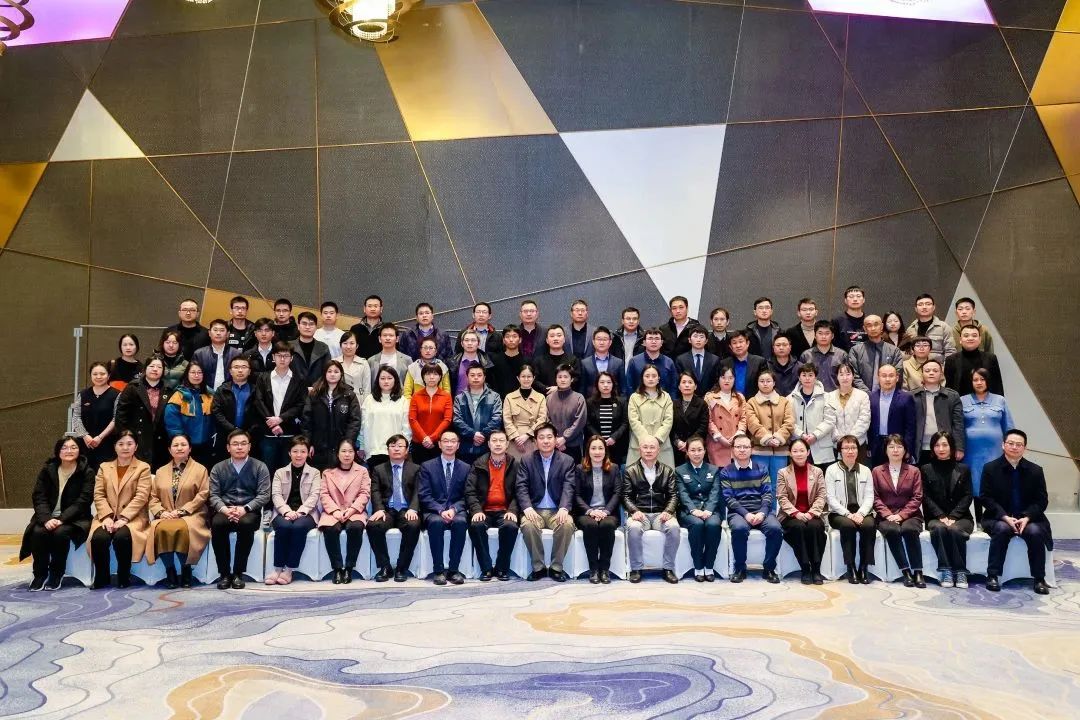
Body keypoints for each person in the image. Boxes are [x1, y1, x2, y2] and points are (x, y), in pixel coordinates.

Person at [979, 429, 1052, 594]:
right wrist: (1004, 516)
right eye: (1010, 443)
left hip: (1028, 518)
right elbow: (985, 497)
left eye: (1019, 444)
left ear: (1025, 448)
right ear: (1003, 445)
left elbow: (1042, 500)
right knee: (1001, 529)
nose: (1014, 447)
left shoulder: (1036, 470)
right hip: (999, 517)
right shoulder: (990, 468)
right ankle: (993, 575)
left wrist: (1027, 517)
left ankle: (1039, 578)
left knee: (1035, 531)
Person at [21, 436, 95, 591]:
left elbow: (84, 501)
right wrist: (46, 519)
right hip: (47, 517)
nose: (69, 451)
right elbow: (39, 496)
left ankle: (56, 573)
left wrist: (62, 519)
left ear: (79, 450)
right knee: (37, 532)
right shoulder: (48, 469)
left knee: (60, 533)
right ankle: (40, 574)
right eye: (64, 447)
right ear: (58, 451)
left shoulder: (86, 471)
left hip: (75, 519)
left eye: (73, 447)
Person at [144, 434, 210, 590]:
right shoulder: (160, 471)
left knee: (182, 528)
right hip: (166, 514)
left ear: (190, 448)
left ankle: (186, 569)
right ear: (169, 450)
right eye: (175, 445)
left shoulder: (200, 469)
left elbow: (203, 494)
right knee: (160, 529)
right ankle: (170, 571)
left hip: (192, 514)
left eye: (183, 444)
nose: (179, 448)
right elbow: (152, 497)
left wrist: (182, 511)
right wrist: (161, 512)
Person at [88, 430, 152, 589]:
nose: (125, 447)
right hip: (107, 516)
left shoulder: (143, 468)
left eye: (129, 444)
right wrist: (106, 517)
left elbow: (141, 497)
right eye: (121, 444)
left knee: (122, 536)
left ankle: (124, 575)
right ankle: (102, 576)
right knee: (99, 538)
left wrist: (124, 518)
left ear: (136, 447)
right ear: (115, 447)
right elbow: (98, 494)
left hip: (133, 517)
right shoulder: (104, 467)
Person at [208, 430, 271, 590]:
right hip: (225, 510)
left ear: (249, 446)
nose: (239, 447)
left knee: (246, 524)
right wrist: (225, 510)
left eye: (243, 443)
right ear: (228, 448)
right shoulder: (218, 468)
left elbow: (264, 495)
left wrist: (245, 509)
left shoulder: (260, 467)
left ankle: (238, 573)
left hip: (249, 511)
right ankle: (224, 574)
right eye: (235, 444)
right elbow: (213, 495)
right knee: (217, 524)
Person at [515, 424, 576, 581]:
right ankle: (538, 567)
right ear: (535, 441)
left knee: (567, 524)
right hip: (535, 510)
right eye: (541, 438)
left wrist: (564, 508)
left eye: (549, 437)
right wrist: (527, 507)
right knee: (528, 525)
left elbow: (569, 487)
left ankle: (556, 567)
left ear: (555, 439)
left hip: (557, 510)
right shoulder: (527, 460)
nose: (546, 441)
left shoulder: (567, 460)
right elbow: (521, 486)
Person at [721, 434, 783, 583]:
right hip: (738, 512)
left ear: (752, 449)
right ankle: (740, 568)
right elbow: (729, 499)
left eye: (746, 447)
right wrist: (746, 514)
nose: (742, 450)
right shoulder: (725, 471)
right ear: (732, 450)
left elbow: (768, 494)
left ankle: (769, 569)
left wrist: (762, 512)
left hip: (761, 510)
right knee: (739, 529)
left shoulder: (761, 468)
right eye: (738, 447)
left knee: (775, 528)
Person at [623, 435, 680, 584]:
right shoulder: (630, 471)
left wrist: (668, 511)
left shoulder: (667, 471)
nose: (648, 450)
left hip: (661, 514)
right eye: (645, 447)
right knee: (634, 528)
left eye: (652, 447)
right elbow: (626, 496)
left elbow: (674, 495)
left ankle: (668, 569)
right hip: (640, 514)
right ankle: (636, 569)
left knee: (674, 527)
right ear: (639, 449)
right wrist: (634, 511)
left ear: (658, 450)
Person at [265, 435, 321, 586]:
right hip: (283, 512)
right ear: (289, 453)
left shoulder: (315, 473)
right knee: (283, 527)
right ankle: (277, 569)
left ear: (308, 453)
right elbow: (276, 495)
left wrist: (300, 512)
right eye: (295, 451)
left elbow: (314, 496)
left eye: (303, 451)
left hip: (307, 513)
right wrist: (287, 512)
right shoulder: (280, 472)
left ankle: (289, 570)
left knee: (298, 527)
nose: (299, 455)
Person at [920, 431, 973, 589]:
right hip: (936, 517)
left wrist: (953, 516)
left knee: (955, 529)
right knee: (940, 528)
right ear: (932, 448)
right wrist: (941, 515)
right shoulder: (926, 469)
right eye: (937, 445)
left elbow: (967, 495)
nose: (941, 449)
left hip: (962, 517)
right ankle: (946, 570)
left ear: (951, 447)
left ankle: (960, 571)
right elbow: (925, 497)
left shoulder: (963, 469)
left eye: (945, 445)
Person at [465, 430, 520, 581]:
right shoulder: (478, 464)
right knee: (476, 526)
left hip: (505, 510)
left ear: (507, 444)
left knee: (510, 526)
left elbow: (520, 491)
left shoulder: (515, 465)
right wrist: (476, 510)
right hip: (484, 510)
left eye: (501, 441)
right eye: (494, 441)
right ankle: (486, 568)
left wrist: (512, 510)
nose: (498, 444)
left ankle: (502, 568)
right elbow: (470, 491)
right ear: (488, 444)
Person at [872, 434, 926, 588]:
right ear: (886, 450)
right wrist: (888, 514)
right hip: (886, 516)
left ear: (905, 450)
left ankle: (918, 571)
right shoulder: (877, 471)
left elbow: (917, 497)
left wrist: (902, 515)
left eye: (899, 446)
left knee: (909, 530)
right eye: (891, 447)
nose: (895, 450)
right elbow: (875, 497)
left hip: (911, 515)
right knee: (892, 530)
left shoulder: (914, 471)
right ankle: (906, 571)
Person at [367, 434, 422, 582]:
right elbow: (375, 491)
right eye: (392, 446)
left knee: (413, 525)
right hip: (387, 510)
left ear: (406, 450)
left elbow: (418, 491)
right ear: (387, 450)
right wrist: (379, 509)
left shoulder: (416, 469)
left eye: (400, 446)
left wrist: (413, 508)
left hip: (406, 510)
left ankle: (401, 567)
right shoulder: (378, 469)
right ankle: (385, 567)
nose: (396, 449)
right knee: (373, 525)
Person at [418, 430, 470, 585]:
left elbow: (467, 495)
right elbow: (424, 494)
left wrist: (454, 509)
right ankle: (438, 571)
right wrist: (440, 510)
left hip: (456, 510)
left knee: (460, 522)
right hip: (434, 511)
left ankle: (453, 570)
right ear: (439, 444)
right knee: (436, 522)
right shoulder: (427, 466)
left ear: (458, 445)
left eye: (453, 441)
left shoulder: (466, 467)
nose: (449, 444)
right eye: (445, 441)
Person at [962, 367, 1015, 515]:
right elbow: (958, 426)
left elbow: (1009, 427)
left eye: (982, 379)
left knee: (996, 481)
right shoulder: (963, 400)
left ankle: (997, 516)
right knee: (975, 482)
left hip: (995, 451)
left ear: (988, 381)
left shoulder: (1000, 400)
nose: (979, 382)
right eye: (975, 380)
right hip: (971, 452)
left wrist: (1010, 446)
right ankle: (978, 518)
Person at [318, 439, 370, 584]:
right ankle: (337, 568)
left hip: (355, 511)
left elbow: (364, 493)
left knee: (355, 527)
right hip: (332, 512)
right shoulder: (327, 472)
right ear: (338, 453)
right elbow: (324, 494)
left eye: (350, 451)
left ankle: (349, 568)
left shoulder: (362, 471)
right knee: (330, 529)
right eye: (344, 451)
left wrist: (352, 510)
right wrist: (335, 511)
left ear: (355, 453)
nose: (347, 455)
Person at [825, 435, 876, 583]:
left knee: (869, 526)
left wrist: (861, 513)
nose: (850, 451)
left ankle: (864, 567)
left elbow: (869, 496)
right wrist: (848, 514)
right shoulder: (831, 470)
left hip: (862, 512)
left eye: (853, 447)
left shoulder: (866, 470)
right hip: (839, 513)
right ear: (840, 451)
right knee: (848, 526)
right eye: (846, 448)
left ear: (858, 450)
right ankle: (850, 566)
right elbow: (830, 498)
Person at [252, 342, 308, 475]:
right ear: (273, 357)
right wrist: (273, 424)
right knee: (267, 471)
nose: (282, 359)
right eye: (279, 355)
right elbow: (259, 401)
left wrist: (281, 419)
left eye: (286, 356)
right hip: (268, 433)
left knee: (287, 472)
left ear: (291, 358)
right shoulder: (263, 377)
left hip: (289, 433)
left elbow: (301, 404)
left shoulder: (299, 379)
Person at [777, 439, 827, 584]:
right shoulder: (783, 473)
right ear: (790, 453)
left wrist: (811, 513)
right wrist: (796, 513)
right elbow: (782, 497)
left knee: (815, 527)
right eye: (795, 451)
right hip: (790, 516)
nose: (799, 454)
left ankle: (816, 569)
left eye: (802, 450)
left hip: (812, 514)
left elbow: (822, 495)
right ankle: (805, 568)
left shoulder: (817, 471)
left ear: (808, 452)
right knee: (798, 527)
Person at [574, 435, 621, 584]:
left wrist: (605, 511)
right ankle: (594, 569)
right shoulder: (580, 469)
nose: (597, 452)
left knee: (607, 525)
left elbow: (617, 493)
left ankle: (604, 569)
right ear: (588, 450)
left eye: (600, 448)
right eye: (593, 448)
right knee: (591, 525)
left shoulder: (614, 468)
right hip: (586, 513)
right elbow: (576, 495)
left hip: (608, 512)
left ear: (605, 450)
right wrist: (590, 511)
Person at [676, 436, 722, 582]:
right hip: (688, 511)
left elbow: (715, 492)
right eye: (693, 450)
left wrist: (708, 510)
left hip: (710, 510)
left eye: (699, 450)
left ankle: (709, 566)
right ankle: (698, 566)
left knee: (713, 525)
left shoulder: (713, 469)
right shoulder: (679, 470)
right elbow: (682, 494)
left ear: (705, 451)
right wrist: (693, 510)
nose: (696, 453)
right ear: (687, 452)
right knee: (697, 524)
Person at [743, 370, 795, 493]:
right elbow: (752, 423)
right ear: (757, 383)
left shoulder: (784, 401)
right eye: (762, 381)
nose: (765, 384)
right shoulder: (751, 402)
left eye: (768, 381)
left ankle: (776, 506)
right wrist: (766, 438)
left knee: (779, 485)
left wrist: (778, 438)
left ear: (774, 383)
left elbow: (789, 422)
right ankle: (762, 506)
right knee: (760, 484)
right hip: (759, 450)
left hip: (780, 450)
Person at [304, 361, 362, 469]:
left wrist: (347, 444)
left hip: (341, 447)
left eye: (336, 371)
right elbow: (306, 420)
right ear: (324, 373)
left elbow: (355, 421)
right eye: (329, 371)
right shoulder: (314, 394)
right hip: (318, 447)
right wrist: (308, 443)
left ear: (341, 374)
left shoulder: (349, 395)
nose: (332, 374)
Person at [115, 355, 169, 470]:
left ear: (163, 371)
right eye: (152, 366)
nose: (155, 369)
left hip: (159, 440)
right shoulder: (133, 387)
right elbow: (121, 414)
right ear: (145, 368)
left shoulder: (168, 390)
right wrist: (126, 436)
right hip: (137, 438)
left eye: (159, 367)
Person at [912, 359, 965, 465]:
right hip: (919, 448)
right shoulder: (912, 396)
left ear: (941, 374)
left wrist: (959, 447)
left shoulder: (952, 396)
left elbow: (958, 424)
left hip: (944, 448)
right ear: (922, 374)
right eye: (927, 371)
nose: (931, 373)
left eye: (935, 371)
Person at [164, 362, 215, 468]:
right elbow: (172, 423)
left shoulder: (210, 395)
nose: (196, 375)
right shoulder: (179, 395)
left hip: (206, 446)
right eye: (193, 372)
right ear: (187, 374)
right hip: (185, 447)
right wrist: (181, 443)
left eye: (199, 372)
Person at [359, 366, 411, 469]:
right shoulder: (369, 400)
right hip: (373, 450)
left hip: (395, 450)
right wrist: (362, 446)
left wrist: (404, 447)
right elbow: (363, 426)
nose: (386, 381)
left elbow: (407, 429)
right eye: (382, 378)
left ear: (395, 380)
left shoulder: (403, 401)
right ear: (377, 380)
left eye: (389, 378)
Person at [210, 356, 258, 463]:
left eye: (244, 367)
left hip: (250, 436)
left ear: (249, 371)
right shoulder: (222, 390)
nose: (240, 370)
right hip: (226, 436)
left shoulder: (256, 390)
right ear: (230, 371)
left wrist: (248, 431)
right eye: (236, 367)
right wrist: (232, 429)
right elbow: (216, 412)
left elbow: (260, 413)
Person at [453, 364, 504, 464]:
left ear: (484, 377)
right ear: (467, 377)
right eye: (472, 375)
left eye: (479, 375)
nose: (476, 378)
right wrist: (473, 434)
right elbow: (457, 420)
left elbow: (497, 419)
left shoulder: (494, 397)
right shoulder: (459, 398)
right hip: (465, 446)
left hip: (487, 447)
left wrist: (482, 434)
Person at [73, 362, 119, 469]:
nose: (98, 377)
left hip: (107, 443)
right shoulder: (83, 394)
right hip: (85, 443)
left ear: (108, 375)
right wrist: (85, 435)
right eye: (95, 374)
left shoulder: (116, 394)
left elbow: (116, 418)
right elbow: (76, 417)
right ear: (91, 376)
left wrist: (100, 437)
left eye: (102, 374)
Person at [789, 363, 835, 470]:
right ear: (799, 378)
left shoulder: (826, 397)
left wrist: (815, 435)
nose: (807, 378)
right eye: (804, 375)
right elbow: (789, 422)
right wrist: (801, 434)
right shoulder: (790, 398)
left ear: (815, 377)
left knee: (821, 478)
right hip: (799, 445)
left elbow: (830, 420)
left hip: (822, 446)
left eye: (810, 375)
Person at [627, 365, 675, 467]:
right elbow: (633, 420)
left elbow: (668, 420)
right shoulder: (634, 397)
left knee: (664, 475)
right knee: (637, 475)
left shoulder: (666, 397)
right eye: (647, 376)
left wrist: (656, 440)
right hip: (639, 444)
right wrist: (646, 440)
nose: (650, 379)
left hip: (662, 445)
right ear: (642, 378)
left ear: (658, 378)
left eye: (654, 376)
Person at [868, 364, 916, 467]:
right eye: (884, 376)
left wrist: (907, 448)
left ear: (897, 378)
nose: (887, 379)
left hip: (897, 446)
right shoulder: (871, 397)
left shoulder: (906, 398)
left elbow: (910, 427)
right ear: (878, 378)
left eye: (891, 375)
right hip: (877, 446)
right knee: (878, 474)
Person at [408, 363, 453, 465]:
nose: (431, 377)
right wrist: (424, 438)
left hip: (438, 443)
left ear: (440, 377)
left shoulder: (446, 396)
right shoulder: (416, 396)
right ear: (423, 377)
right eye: (428, 374)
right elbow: (412, 419)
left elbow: (447, 419)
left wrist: (432, 438)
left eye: (435, 374)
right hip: (419, 442)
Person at [502, 363, 547, 460]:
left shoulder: (540, 397)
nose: (526, 379)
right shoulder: (509, 397)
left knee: (533, 466)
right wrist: (516, 438)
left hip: (533, 438)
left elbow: (542, 419)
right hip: (515, 441)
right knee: (514, 466)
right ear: (518, 378)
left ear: (533, 378)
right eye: (523, 376)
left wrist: (527, 435)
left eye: (529, 376)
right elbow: (507, 420)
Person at [703, 367, 746, 468]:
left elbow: (743, 418)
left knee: (736, 474)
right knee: (719, 474)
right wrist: (719, 437)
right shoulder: (710, 397)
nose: (727, 381)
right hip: (717, 443)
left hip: (736, 443)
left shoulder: (740, 397)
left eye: (730, 378)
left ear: (734, 379)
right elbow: (708, 420)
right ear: (718, 379)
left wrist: (737, 435)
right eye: (723, 377)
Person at [849, 315, 905, 392]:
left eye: (876, 324)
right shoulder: (856, 351)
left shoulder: (894, 351)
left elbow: (897, 374)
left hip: (888, 395)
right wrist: (868, 394)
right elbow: (854, 376)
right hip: (862, 395)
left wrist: (882, 394)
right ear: (864, 329)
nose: (873, 328)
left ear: (881, 326)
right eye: (869, 325)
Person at [945, 324, 1003, 397]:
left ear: (980, 339)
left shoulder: (991, 358)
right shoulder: (951, 360)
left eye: (974, 335)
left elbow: (998, 386)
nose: (970, 338)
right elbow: (949, 388)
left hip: (986, 402)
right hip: (959, 402)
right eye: (966, 336)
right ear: (960, 340)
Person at [585, 371, 629, 466]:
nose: (605, 385)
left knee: (614, 470)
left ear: (613, 384)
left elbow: (625, 423)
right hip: (596, 446)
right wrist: (599, 439)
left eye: (609, 382)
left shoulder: (621, 402)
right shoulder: (590, 402)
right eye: (602, 382)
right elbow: (588, 424)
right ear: (597, 384)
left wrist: (614, 437)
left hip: (616, 445)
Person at [545, 365, 588, 463]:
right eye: (559, 377)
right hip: (553, 444)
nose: (562, 380)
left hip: (573, 445)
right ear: (556, 379)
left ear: (571, 379)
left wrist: (564, 438)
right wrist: (556, 438)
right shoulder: (549, 398)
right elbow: (547, 420)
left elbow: (579, 422)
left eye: (566, 377)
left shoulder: (579, 398)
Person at [826, 362, 871, 455]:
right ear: (837, 377)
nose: (845, 377)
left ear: (853, 376)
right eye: (841, 374)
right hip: (836, 445)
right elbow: (828, 420)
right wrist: (839, 438)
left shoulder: (863, 396)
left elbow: (864, 419)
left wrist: (850, 438)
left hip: (858, 444)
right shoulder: (829, 397)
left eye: (848, 374)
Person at [624, 328, 679, 396]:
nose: (653, 341)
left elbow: (674, 387)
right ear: (644, 342)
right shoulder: (634, 362)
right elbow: (629, 386)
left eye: (657, 339)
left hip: (663, 401)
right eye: (650, 338)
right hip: (639, 401)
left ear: (661, 342)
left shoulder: (669, 362)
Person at [670, 372, 709, 467]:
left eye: (690, 382)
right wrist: (677, 442)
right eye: (684, 382)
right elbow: (670, 426)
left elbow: (703, 427)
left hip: (696, 448)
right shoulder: (673, 404)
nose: (687, 385)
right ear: (679, 387)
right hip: (678, 448)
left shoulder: (702, 404)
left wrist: (689, 443)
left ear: (695, 386)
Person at [798, 321, 848, 393]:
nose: (823, 337)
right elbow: (801, 378)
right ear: (815, 336)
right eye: (820, 333)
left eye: (827, 333)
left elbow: (847, 378)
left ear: (832, 336)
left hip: (836, 395)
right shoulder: (806, 355)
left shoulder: (842, 355)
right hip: (813, 396)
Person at [905, 293, 956, 362]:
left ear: (933, 307)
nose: (924, 307)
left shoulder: (943, 327)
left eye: (928, 304)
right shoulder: (911, 329)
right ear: (916, 309)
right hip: (915, 367)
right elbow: (907, 351)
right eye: (920, 304)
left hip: (937, 367)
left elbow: (950, 351)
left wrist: (945, 367)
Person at [192, 319, 240, 392]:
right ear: (209, 333)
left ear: (228, 334)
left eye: (222, 330)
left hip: (229, 394)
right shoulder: (199, 354)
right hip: (204, 393)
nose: (218, 333)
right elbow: (193, 376)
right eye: (215, 330)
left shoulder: (236, 354)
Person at [532, 324, 581, 392]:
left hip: (567, 396)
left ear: (564, 339)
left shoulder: (573, 360)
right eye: (552, 336)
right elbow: (534, 380)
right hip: (545, 396)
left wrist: (559, 388)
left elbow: (576, 379)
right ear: (547, 340)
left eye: (559, 335)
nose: (555, 338)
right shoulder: (538, 361)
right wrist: (548, 389)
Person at [675, 325, 720, 397]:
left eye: (701, 337)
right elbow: (678, 382)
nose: (698, 340)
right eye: (695, 336)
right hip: (687, 397)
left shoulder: (714, 360)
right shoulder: (681, 360)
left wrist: (710, 395)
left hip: (709, 399)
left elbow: (717, 381)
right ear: (689, 340)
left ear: (706, 341)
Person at [579, 326, 625, 395]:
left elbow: (623, 389)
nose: (601, 342)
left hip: (613, 400)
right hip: (591, 400)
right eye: (599, 339)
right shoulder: (585, 363)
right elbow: (582, 388)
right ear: (593, 342)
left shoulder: (618, 362)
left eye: (605, 339)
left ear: (610, 342)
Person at [719, 330, 765, 397]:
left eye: (741, 342)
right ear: (730, 347)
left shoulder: (759, 362)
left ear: (747, 343)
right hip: (731, 401)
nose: (738, 345)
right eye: (734, 343)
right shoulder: (724, 363)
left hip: (753, 401)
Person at [448, 330, 495, 394]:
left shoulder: (487, 363)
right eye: (466, 340)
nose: (469, 343)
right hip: (458, 399)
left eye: (473, 340)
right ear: (462, 343)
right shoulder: (452, 362)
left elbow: (491, 386)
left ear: (478, 343)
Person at [290, 312, 330, 388]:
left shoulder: (323, 348)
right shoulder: (288, 347)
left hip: (317, 391)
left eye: (311, 324)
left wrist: (316, 388)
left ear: (316, 328)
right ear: (298, 326)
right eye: (304, 323)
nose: (307, 327)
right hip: (293, 391)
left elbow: (328, 371)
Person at [335, 331, 372, 406]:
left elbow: (367, 389)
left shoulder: (363, 363)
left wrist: (366, 406)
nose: (348, 347)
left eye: (352, 343)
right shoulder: (334, 363)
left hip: (359, 401)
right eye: (345, 343)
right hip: (339, 401)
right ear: (340, 345)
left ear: (357, 346)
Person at [489, 325, 527, 396]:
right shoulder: (494, 360)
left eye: (514, 336)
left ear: (520, 340)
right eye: (507, 336)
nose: (511, 339)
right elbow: (491, 382)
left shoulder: (526, 361)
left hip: (521, 399)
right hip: (499, 399)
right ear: (503, 340)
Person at [348, 294, 386, 360]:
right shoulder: (355, 329)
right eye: (369, 306)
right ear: (364, 309)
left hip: (381, 365)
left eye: (376, 306)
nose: (373, 309)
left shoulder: (387, 329)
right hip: (359, 365)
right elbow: (350, 349)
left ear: (381, 309)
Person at [831, 285, 867, 351]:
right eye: (851, 296)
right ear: (845, 300)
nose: (855, 299)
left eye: (858, 296)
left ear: (864, 300)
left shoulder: (868, 321)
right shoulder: (837, 321)